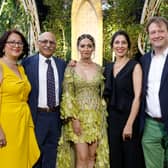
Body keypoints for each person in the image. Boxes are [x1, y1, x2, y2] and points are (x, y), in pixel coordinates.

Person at [57, 34, 109, 168]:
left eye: (89, 46)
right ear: (78, 48)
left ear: (93, 49)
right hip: (78, 117)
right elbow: (67, 95)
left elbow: (104, 92)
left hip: (96, 118)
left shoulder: (100, 69)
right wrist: (74, 119)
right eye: (83, 46)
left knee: (92, 157)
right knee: (82, 157)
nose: (86, 49)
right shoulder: (71, 68)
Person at [22, 32, 66, 168]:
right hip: (36, 116)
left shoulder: (62, 65)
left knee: (51, 155)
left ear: (55, 46)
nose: (48, 45)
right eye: (44, 41)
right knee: (34, 155)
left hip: (55, 116)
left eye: (52, 42)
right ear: (38, 43)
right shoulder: (26, 64)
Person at [0, 30, 40, 167]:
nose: (16, 45)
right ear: (4, 46)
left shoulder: (21, 68)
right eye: (12, 42)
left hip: (22, 122)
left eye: (19, 43)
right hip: (6, 123)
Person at [104, 30, 143, 168]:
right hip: (111, 120)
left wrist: (129, 124)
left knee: (130, 158)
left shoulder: (135, 66)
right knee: (115, 158)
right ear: (112, 46)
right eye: (117, 42)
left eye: (123, 42)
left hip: (129, 118)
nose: (120, 46)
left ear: (128, 46)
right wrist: (73, 64)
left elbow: (137, 97)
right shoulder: (108, 67)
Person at [140, 16, 168, 168]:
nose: (157, 35)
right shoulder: (144, 60)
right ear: (149, 36)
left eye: (161, 31)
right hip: (151, 123)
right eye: (153, 32)